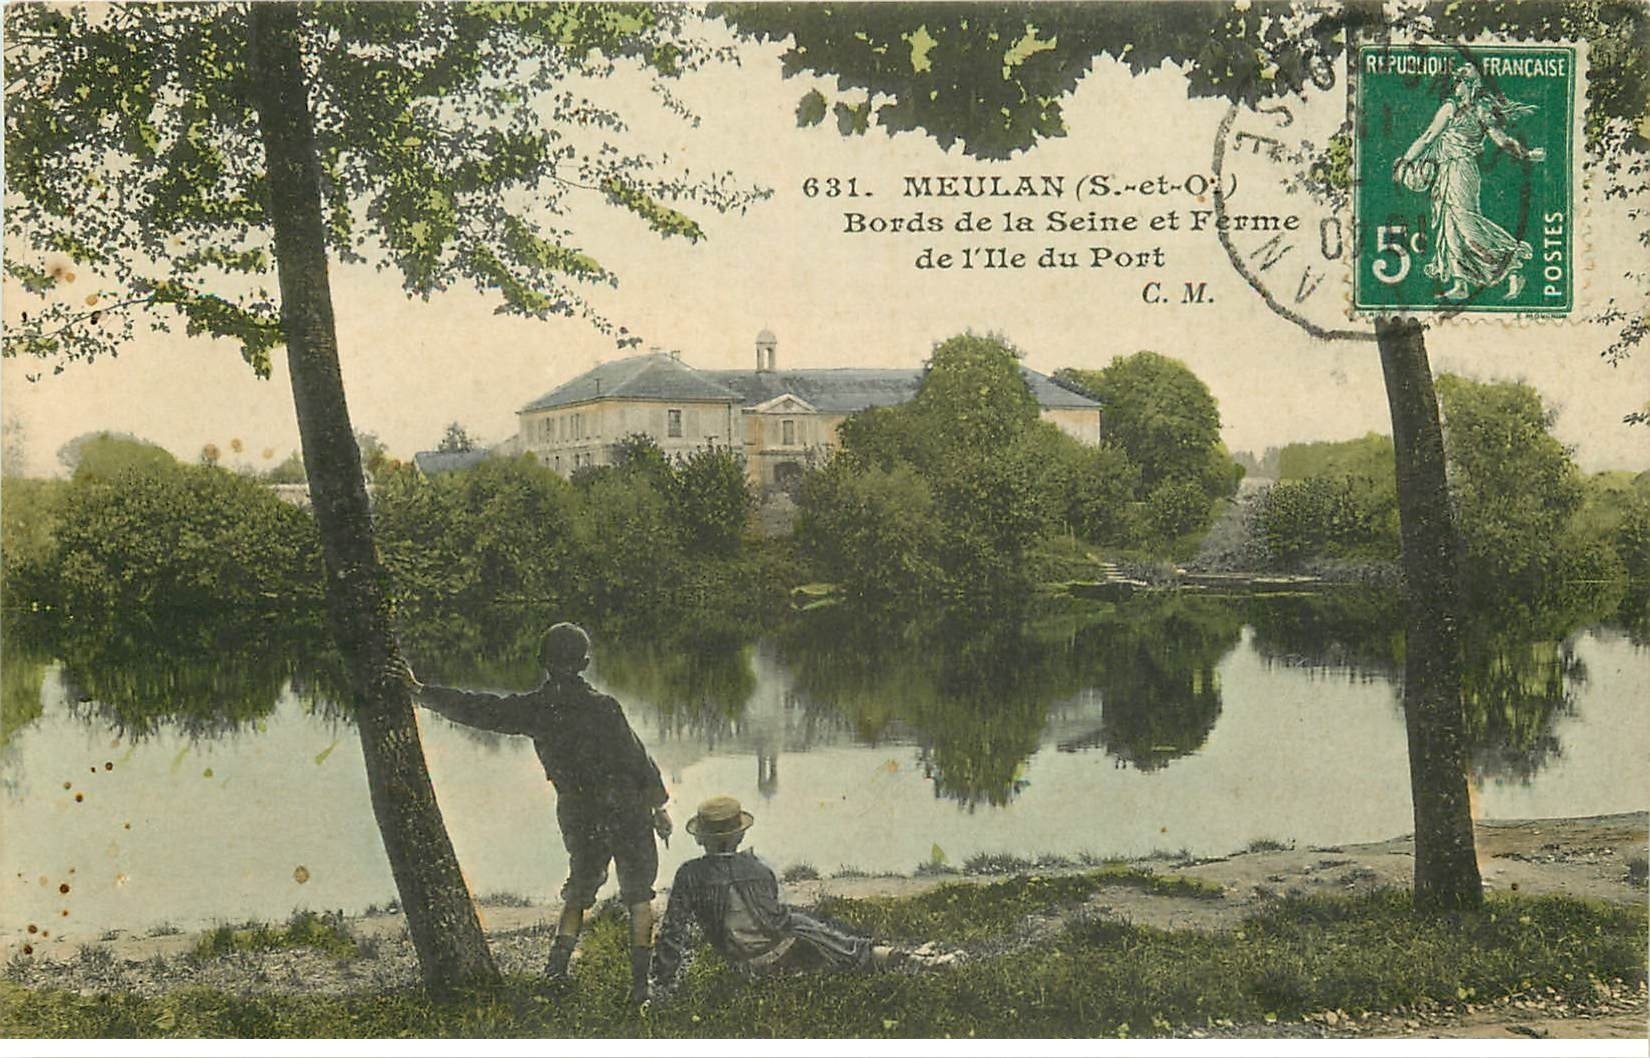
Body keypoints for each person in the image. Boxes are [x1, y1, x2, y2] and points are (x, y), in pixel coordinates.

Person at [406, 621, 671, 1005]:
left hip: (579, 811)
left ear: (542, 662)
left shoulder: (535, 709)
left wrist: (422, 693)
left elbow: (479, 709)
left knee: (580, 889)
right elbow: (637, 759)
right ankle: (639, 989)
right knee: (638, 895)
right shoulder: (604, 707)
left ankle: (556, 972)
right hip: (625, 808)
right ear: (585, 661)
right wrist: (659, 806)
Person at [650, 795, 957, 998]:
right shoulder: (757, 868)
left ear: (700, 838)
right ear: (741, 835)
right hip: (782, 949)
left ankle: (909, 956)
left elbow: (673, 934)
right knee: (837, 944)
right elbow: (773, 913)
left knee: (823, 934)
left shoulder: (689, 874)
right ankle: (916, 960)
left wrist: (662, 982)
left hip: (746, 964)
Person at [1392, 64, 1545, 301]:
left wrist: (1526, 154)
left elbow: (1500, 140)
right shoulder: (1453, 107)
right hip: (1446, 170)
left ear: (1469, 85)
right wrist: (1407, 159)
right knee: (1449, 225)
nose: (1457, 87)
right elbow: (1429, 136)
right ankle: (1460, 283)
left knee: (1466, 223)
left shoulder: (1475, 110)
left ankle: (1513, 267)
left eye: (1460, 82)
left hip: (1462, 171)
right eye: (1456, 82)